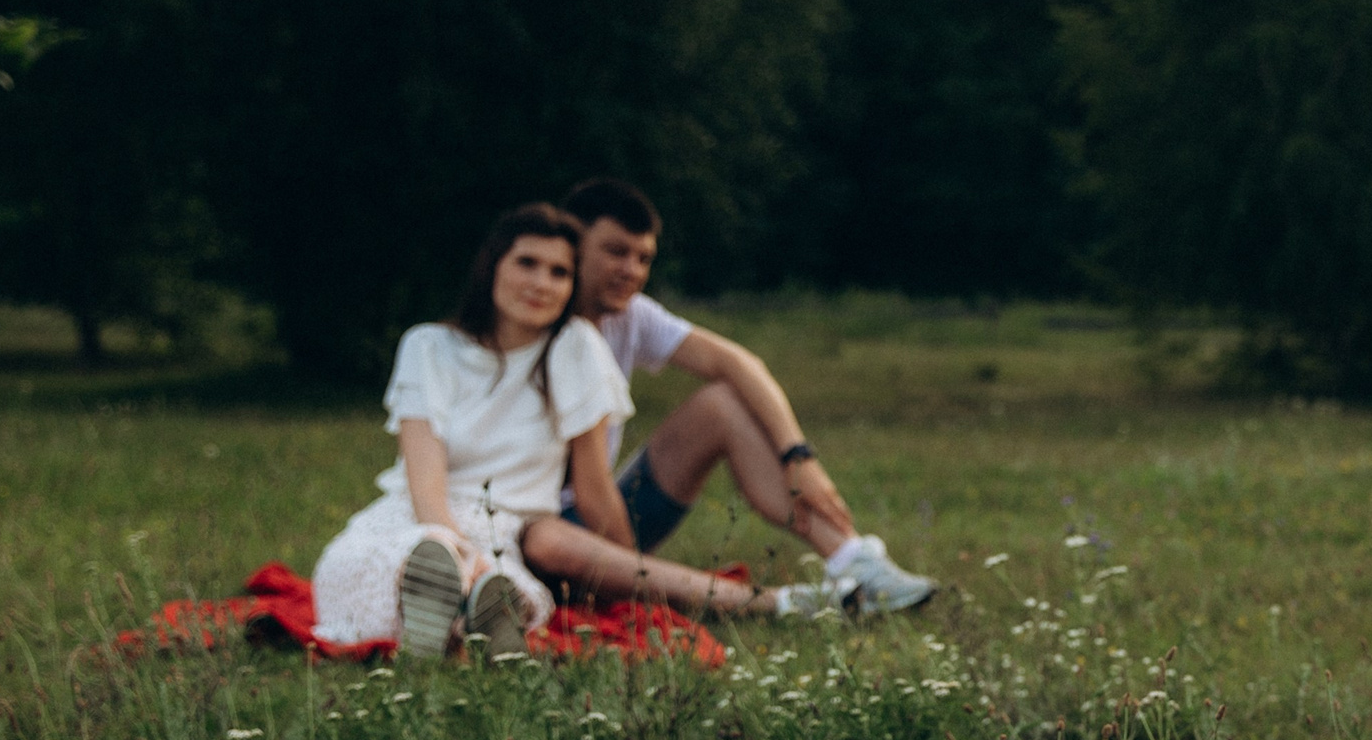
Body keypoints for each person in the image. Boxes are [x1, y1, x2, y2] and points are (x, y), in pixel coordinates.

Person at [309, 204, 853, 657]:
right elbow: (426, 483)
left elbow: (595, 489)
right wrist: (454, 547)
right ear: (493, 265)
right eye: (527, 263)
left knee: (502, 582)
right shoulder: (429, 346)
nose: (540, 284)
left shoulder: (575, 349)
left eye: (559, 272)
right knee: (400, 564)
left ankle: (471, 613)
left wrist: (625, 580)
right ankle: (452, 607)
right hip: (423, 515)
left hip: (511, 530)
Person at [533, 178, 934, 616]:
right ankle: (787, 604)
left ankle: (852, 559)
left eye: (643, 258)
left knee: (721, 405)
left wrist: (798, 457)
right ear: (571, 241)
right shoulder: (528, 321)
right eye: (616, 251)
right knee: (550, 536)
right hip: (536, 534)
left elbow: (739, 364)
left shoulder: (629, 315)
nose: (631, 270)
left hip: (602, 521)